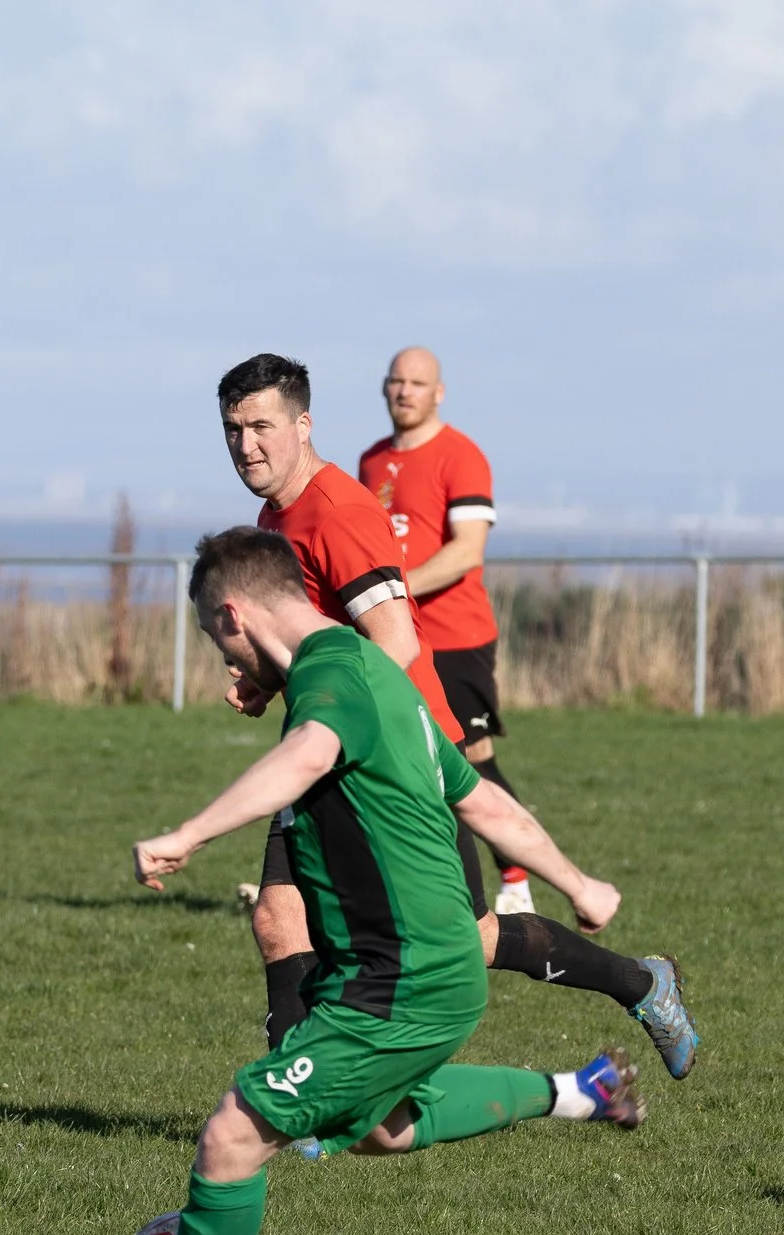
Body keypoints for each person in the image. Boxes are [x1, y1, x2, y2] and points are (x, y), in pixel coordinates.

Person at [120, 528, 646, 1235]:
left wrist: (189, 833)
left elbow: (304, 757)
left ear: (234, 614)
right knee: (380, 1127)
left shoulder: (332, 686)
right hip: (412, 972)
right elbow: (484, 805)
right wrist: (579, 882)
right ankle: (581, 1090)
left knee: (234, 1131)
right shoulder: (378, 672)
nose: (223, 661)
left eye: (214, 639)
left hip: (404, 980)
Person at [216, 353, 698, 1081]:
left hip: (396, 749)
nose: (247, 445)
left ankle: (641, 983)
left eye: (262, 426)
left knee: (469, 940)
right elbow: (320, 640)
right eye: (233, 429)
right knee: (278, 920)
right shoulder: (274, 515)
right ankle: (294, 1104)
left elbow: (396, 641)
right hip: (328, 749)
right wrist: (267, 678)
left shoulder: (338, 511)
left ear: (302, 424)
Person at [359, 346, 532, 915]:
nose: (404, 390)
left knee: (472, 758)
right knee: (397, 760)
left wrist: (396, 588)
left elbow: (466, 552)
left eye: (417, 382)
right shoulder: (372, 462)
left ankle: (516, 884)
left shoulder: (461, 456)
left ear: (439, 392)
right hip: (392, 638)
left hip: (455, 637)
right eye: (396, 380)